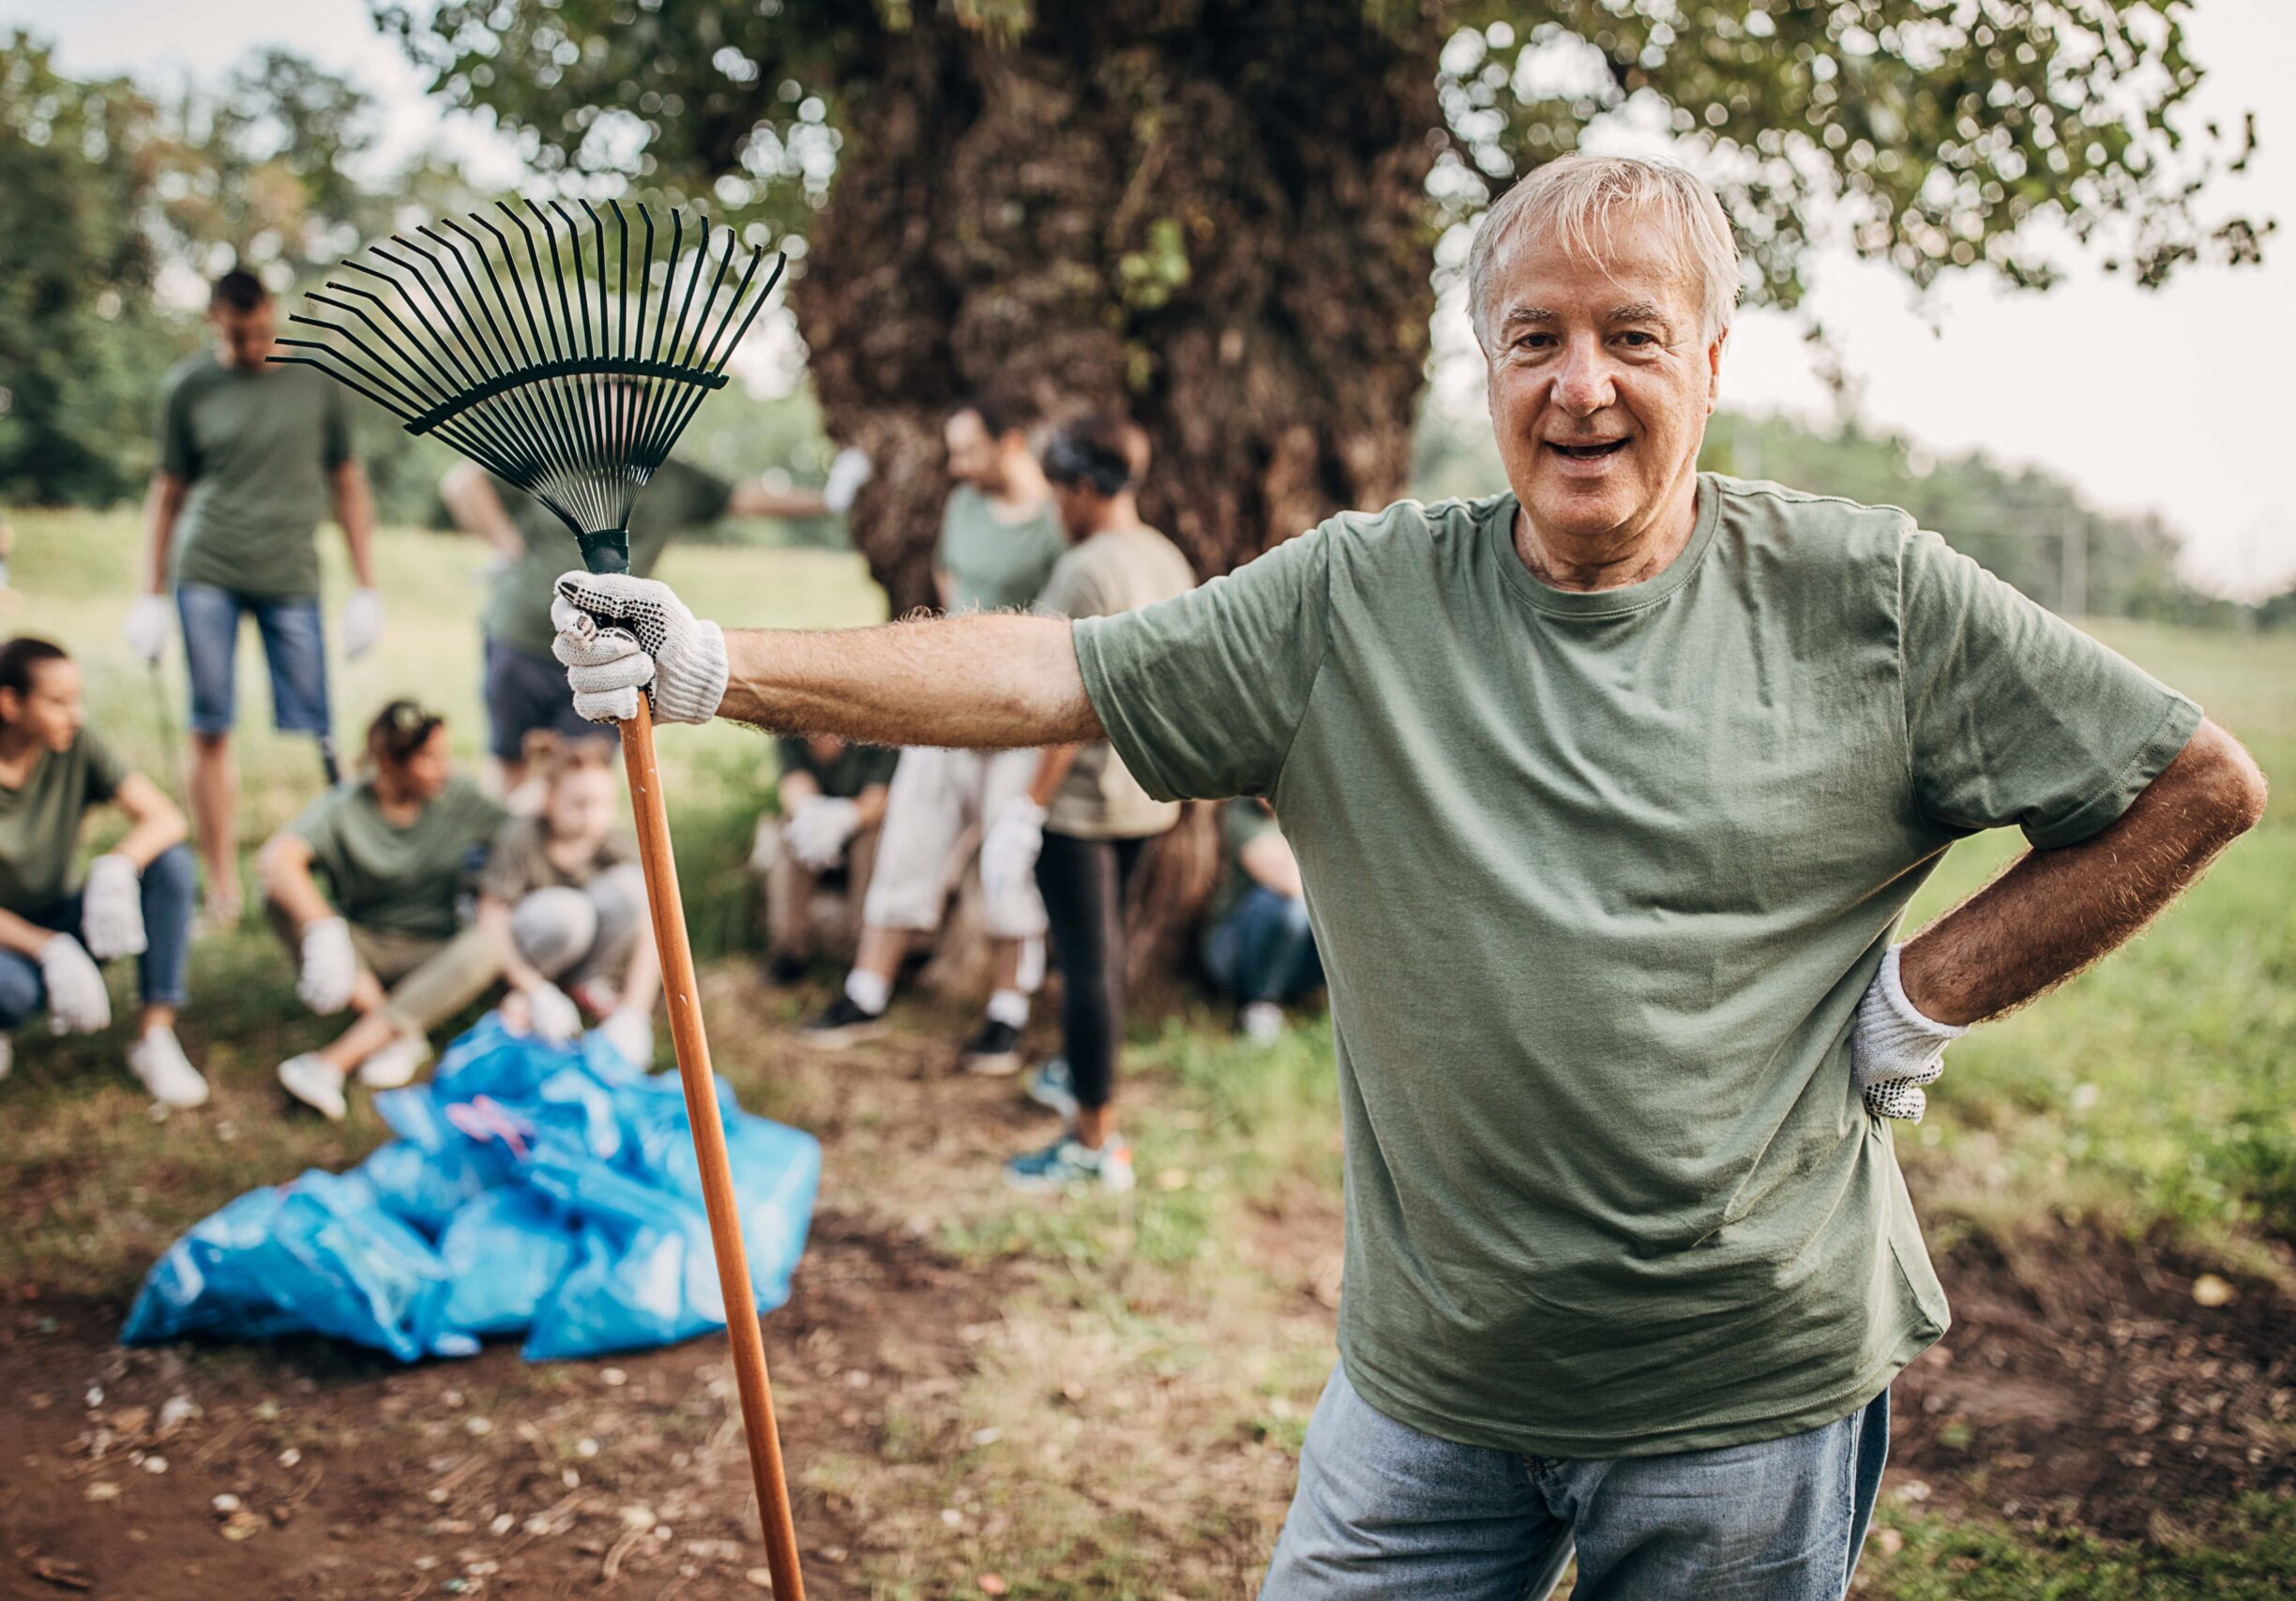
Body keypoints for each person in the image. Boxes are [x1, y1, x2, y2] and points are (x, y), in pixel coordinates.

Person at [547, 152, 2268, 1597]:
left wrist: (1923, 988)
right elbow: (1053, 673)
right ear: (1485, 366)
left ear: (1714, 365)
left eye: (1631, 336)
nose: (1580, 382)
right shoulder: (1356, 600)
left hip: (1744, 1390)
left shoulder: (1870, 596)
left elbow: (2193, 782)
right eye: (1534, 337)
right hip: (1430, 1389)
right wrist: (718, 663)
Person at [801, 394, 1064, 1073]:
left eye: (967, 448)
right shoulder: (964, 507)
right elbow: (950, 583)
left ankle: (1008, 1012)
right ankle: (866, 991)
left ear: (1011, 444)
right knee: (910, 838)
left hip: (1017, 720)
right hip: (947, 706)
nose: (954, 462)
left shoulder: (1055, 523)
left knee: (1009, 863)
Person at [126, 266, 380, 923]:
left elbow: (347, 482)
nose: (253, 343)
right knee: (210, 725)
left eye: (262, 329)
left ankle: (358, 868)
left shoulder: (316, 381)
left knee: (320, 725)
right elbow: (168, 491)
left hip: (290, 573)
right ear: (215, 320)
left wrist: (366, 586)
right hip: (206, 566)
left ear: (273, 311)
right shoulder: (189, 387)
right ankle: (221, 886)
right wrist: (149, 593)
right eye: (240, 334)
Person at [987, 414, 1196, 1191]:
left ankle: (1091, 1139)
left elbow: (1062, 706)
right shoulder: (1164, 556)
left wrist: (1027, 808)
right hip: (1147, 795)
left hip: (1080, 807)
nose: (1052, 508)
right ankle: (1084, 1073)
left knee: (1087, 969)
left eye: (1056, 493)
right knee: (1103, 958)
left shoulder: (1085, 568)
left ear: (1080, 487)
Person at [442, 447, 867, 800]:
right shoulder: (555, 456)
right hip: (520, 637)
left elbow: (744, 499)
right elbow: (462, 483)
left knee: (584, 773)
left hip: (606, 652)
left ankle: (567, 874)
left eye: (630, 409)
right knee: (510, 761)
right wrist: (507, 545)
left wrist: (830, 499)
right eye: (606, 408)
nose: (618, 422)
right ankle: (505, 873)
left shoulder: (672, 480)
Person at [0, 638, 206, 1107]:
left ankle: (155, 1038)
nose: (76, 715)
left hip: (55, 911)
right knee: (4, 991)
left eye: (77, 700)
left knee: (171, 862)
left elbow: (167, 819)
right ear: (10, 704)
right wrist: (51, 950)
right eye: (58, 702)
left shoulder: (75, 745)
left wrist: (118, 866)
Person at [261, 700, 510, 1122]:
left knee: (490, 942)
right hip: (364, 950)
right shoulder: (344, 808)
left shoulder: (457, 797)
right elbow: (276, 861)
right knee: (276, 901)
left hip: (435, 949)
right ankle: (397, 1031)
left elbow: (520, 833)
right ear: (389, 762)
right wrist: (323, 929)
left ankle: (332, 1062)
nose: (443, 769)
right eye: (429, 759)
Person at [475, 734, 663, 1067]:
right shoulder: (520, 840)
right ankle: (525, 997)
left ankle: (585, 986)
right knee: (569, 913)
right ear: (548, 799)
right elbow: (490, 923)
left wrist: (636, 1011)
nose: (592, 817)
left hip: (582, 953)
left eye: (603, 804)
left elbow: (655, 926)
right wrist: (534, 988)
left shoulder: (612, 843)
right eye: (579, 804)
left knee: (632, 890)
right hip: (527, 954)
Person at [757, 733, 898, 986]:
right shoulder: (788, 724)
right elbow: (793, 778)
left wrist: (846, 817)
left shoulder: (876, 727)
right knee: (790, 832)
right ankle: (788, 952)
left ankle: (864, 952)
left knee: (872, 842)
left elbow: (880, 795)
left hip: (864, 824)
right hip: (820, 823)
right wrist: (809, 812)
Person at [1202, 798, 1321, 1043]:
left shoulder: (1311, 811)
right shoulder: (1241, 815)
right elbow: (1290, 883)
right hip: (1232, 950)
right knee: (1291, 905)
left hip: (1292, 956)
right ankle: (1259, 1006)